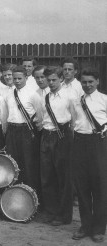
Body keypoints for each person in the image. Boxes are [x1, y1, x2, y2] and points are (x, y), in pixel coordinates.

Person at [71, 68, 107, 243]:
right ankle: (85, 226)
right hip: (79, 143)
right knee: (82, 187)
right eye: (84, 82)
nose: (87, 85)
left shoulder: (104, 100)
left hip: (98, 144)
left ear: (97, 81)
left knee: (100, 187)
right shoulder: (77, 101)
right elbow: (74, 123)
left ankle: (99, 228)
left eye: (90, 81)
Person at [40, 66, 74, 226]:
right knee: (48, 177)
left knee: (63, 178)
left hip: (62, 136)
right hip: (46, 136)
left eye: (54, 79)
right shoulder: (45, 97)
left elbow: (74, 120)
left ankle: (64, 215)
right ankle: (52, 212)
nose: (51, 83)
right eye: (49, 80)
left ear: (61, 79)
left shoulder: (69, 97)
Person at [5, 66, 43, 194]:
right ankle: (14, 193)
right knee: (13, 163)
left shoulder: (33, 94)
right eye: (14, 78)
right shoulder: (9, 94)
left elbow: (40, 115)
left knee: (28, 163)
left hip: (26, 130)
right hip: (12, 130)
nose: (16, 81)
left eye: (20, 78)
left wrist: (34, 133)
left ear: (26, 78)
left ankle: (31, 194)